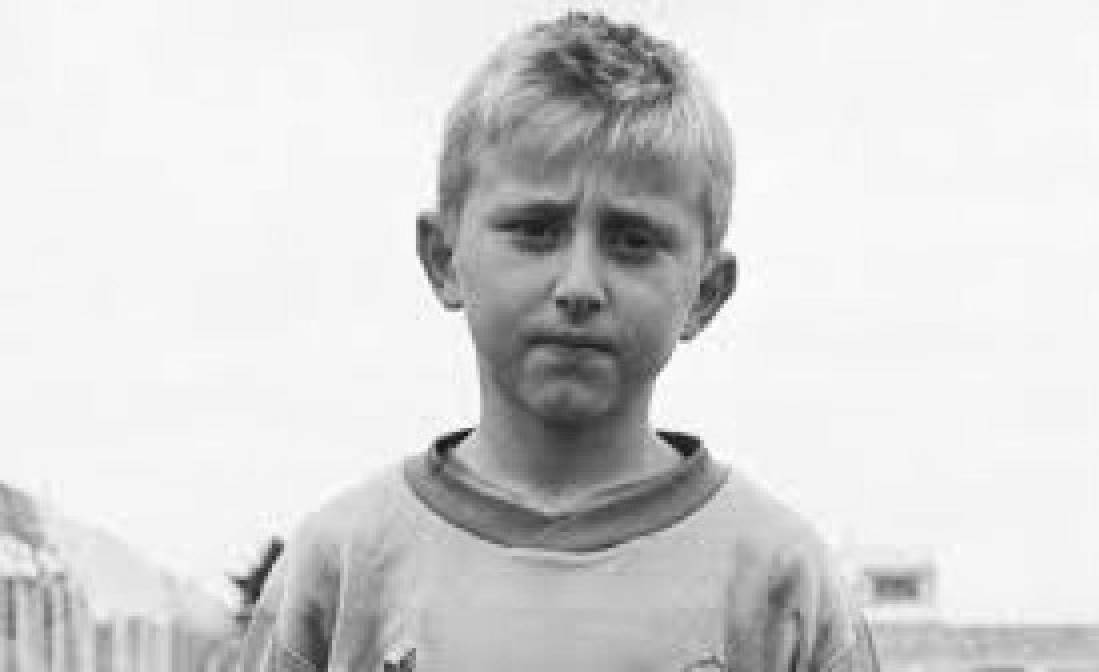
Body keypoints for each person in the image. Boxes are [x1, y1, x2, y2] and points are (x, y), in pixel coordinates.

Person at [240, 11, 879, 672]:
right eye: (535, 229)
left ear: (707, 292)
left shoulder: (785, 587)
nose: (579, 285)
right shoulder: (339, 573)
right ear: (442, 257)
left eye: (633, 241)